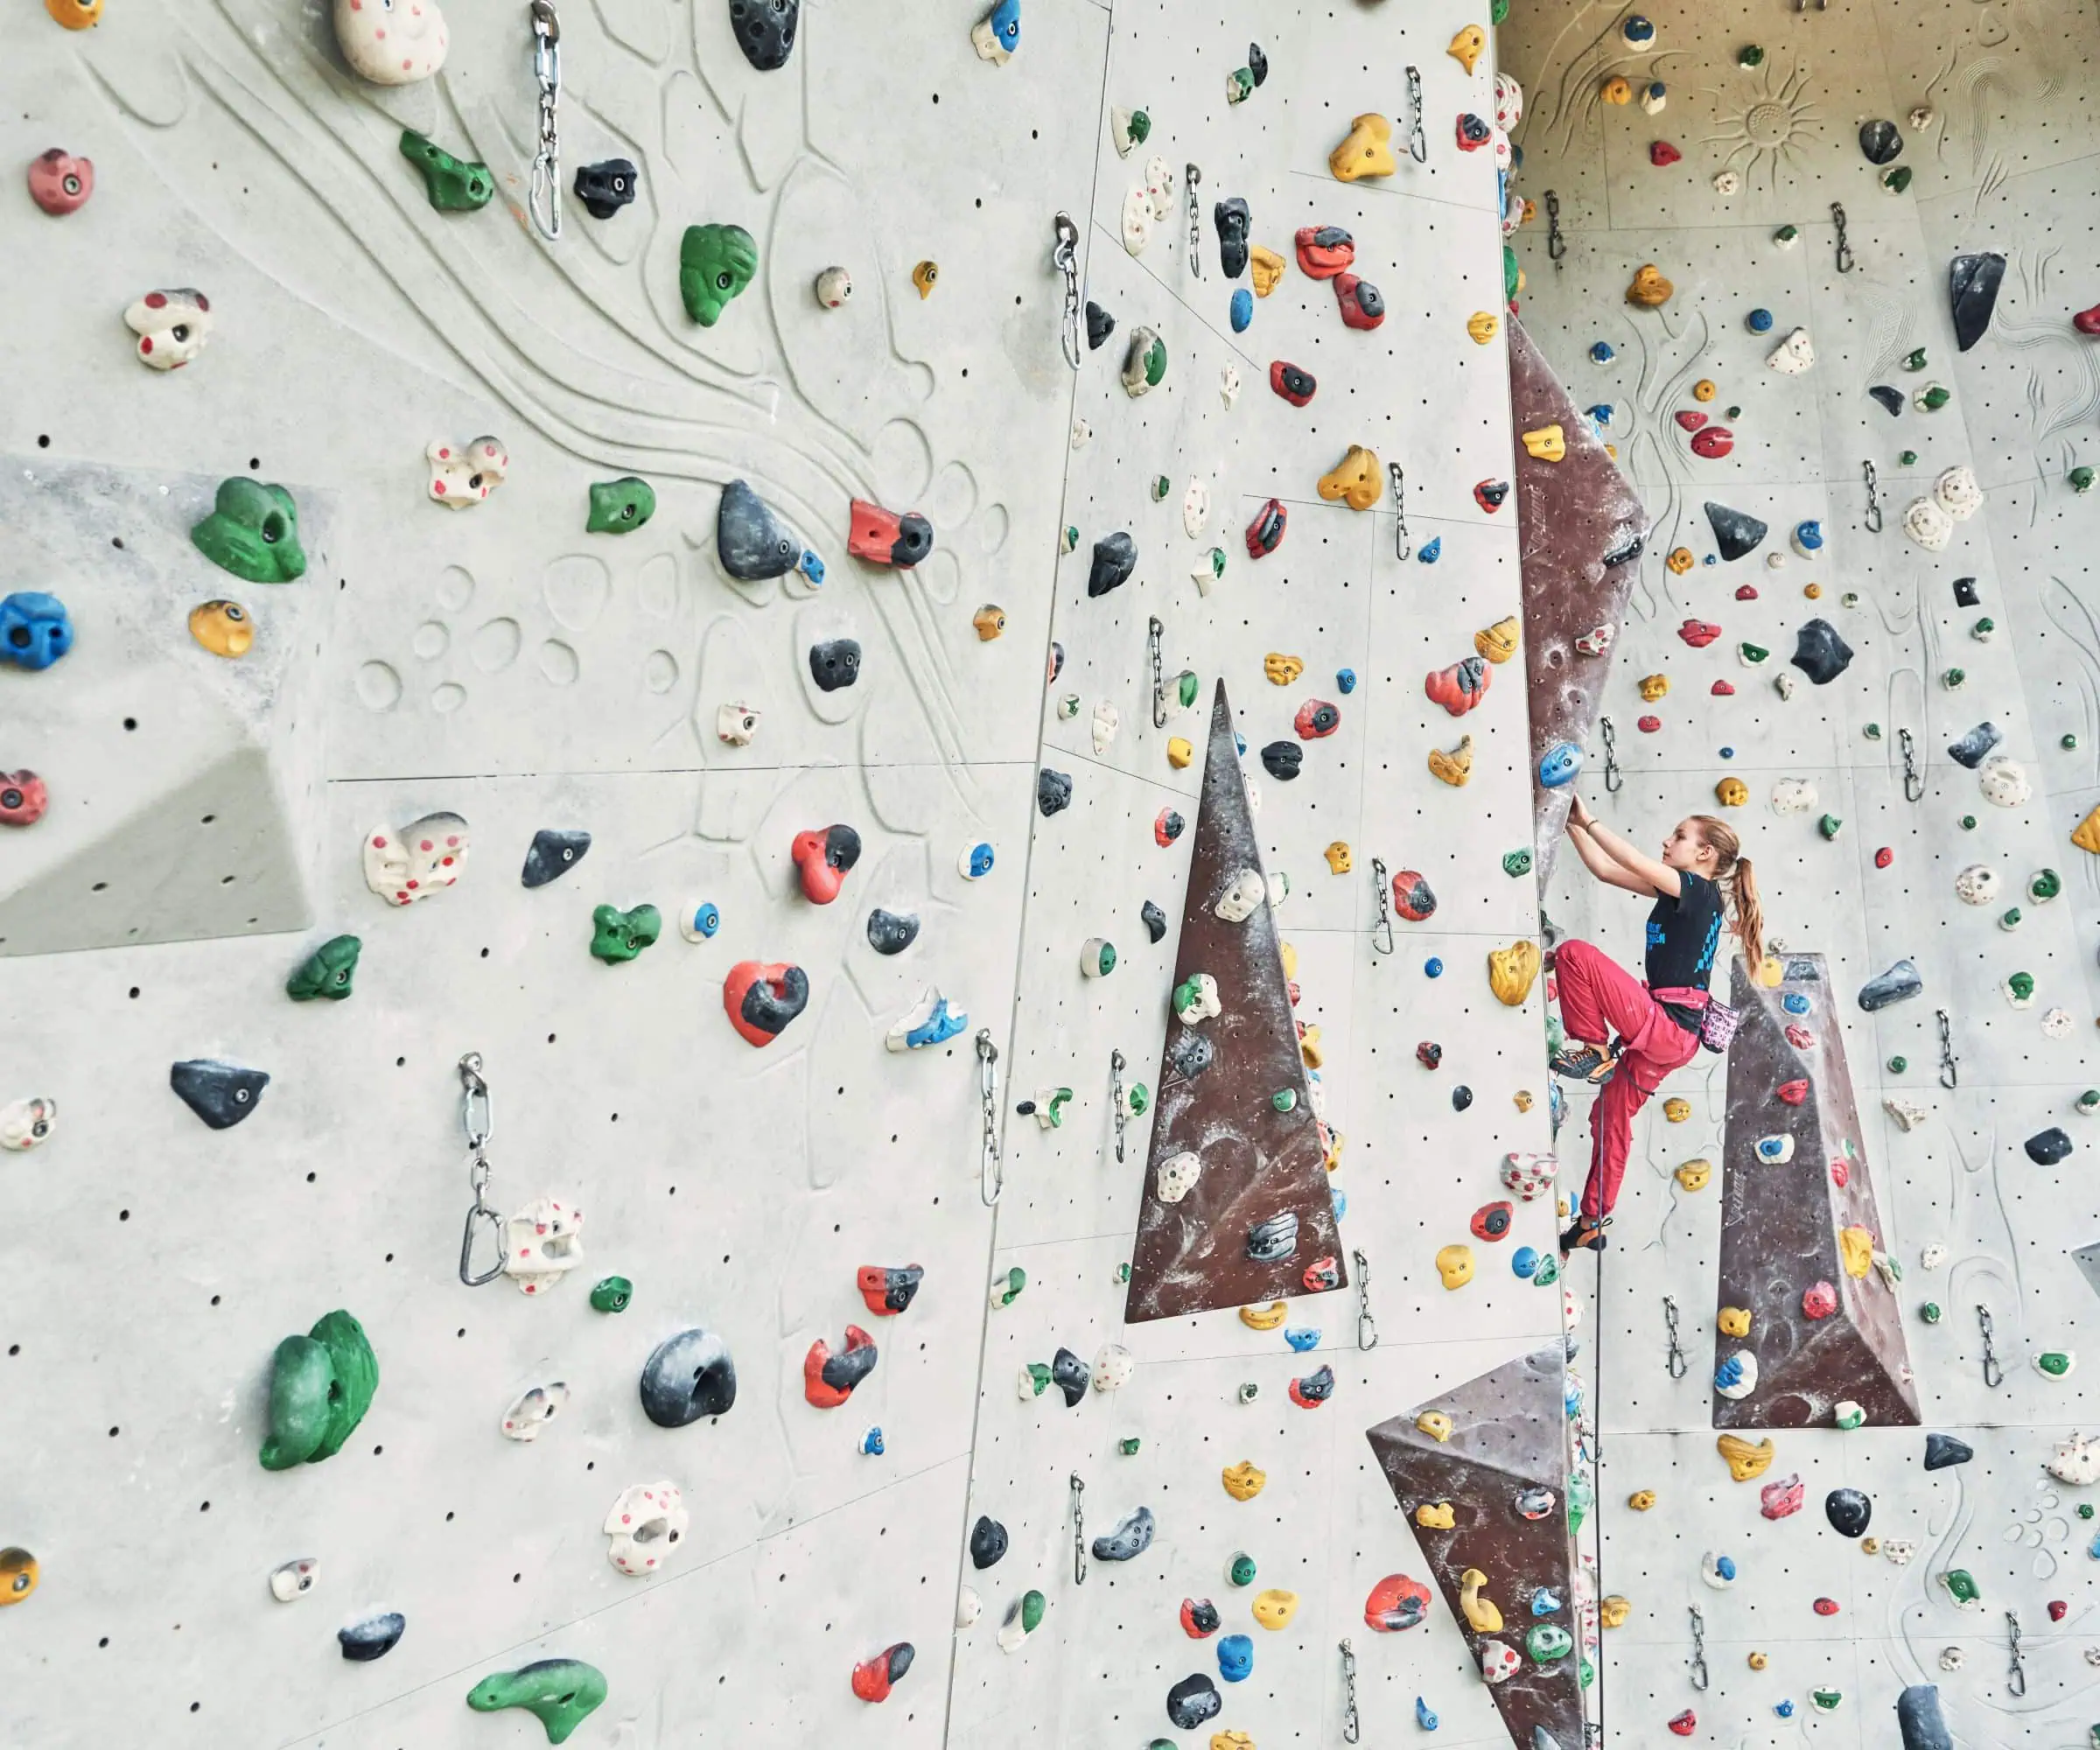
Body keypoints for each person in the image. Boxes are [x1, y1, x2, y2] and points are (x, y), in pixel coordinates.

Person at [1550, 799, 1763, 1253]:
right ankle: (1592, 1217)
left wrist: (1588, 818)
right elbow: (1605, 871)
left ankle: (1594, 1048)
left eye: (1680, 837)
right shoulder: (1679, 893)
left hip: (1667, 1024)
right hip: (1671, 1035)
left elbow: (1629, 859)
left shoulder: (1700, 891)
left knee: (1574, 955)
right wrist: (1570, 825)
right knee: (1611, 1114)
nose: (1668, 841)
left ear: (1705, 855)